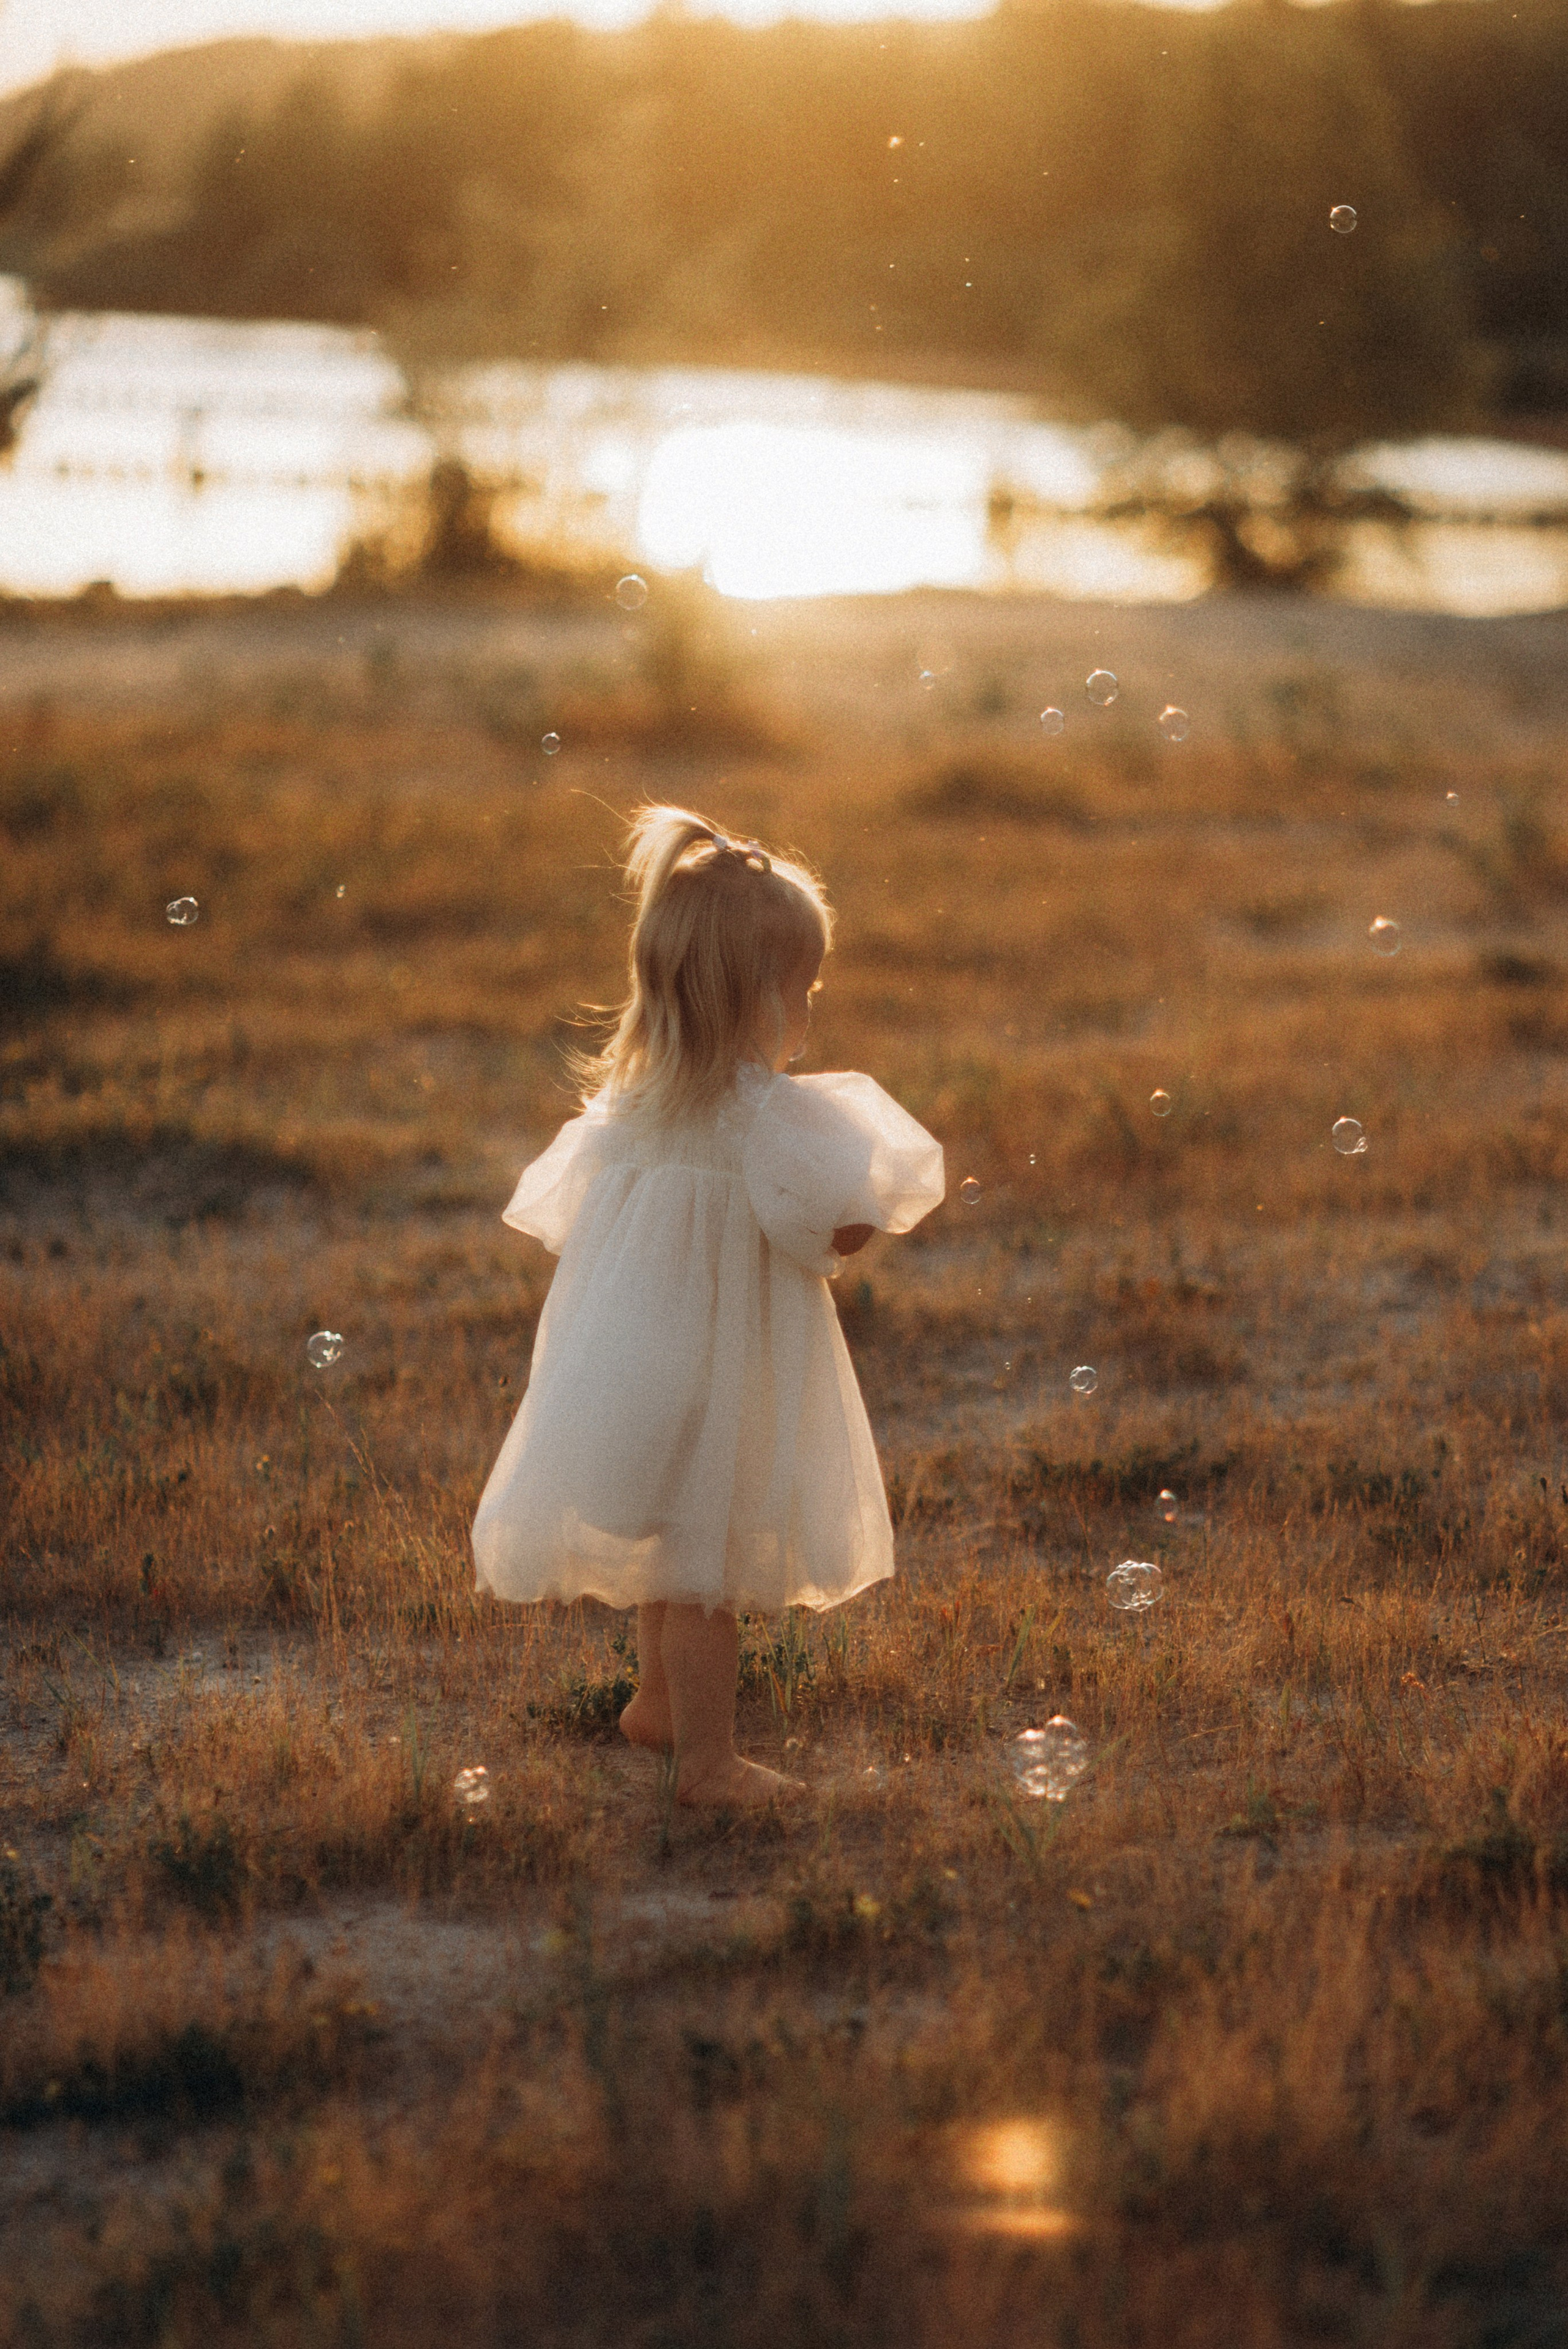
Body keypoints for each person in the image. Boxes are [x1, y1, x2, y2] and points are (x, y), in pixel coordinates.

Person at [472, 805, 944, 1804]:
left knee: (671, 1544)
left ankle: (654, 1707)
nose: (810, 1007)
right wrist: (868, 1222)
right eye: (802, 989)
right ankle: (709, 1764)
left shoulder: (631, 1106)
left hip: (637, 1354)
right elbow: (828, 1231)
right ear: (758, 998)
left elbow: (566, 1216)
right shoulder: (769, 1116)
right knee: (707, 1573)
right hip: (720, 1361)